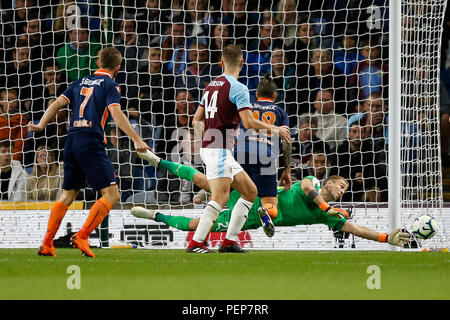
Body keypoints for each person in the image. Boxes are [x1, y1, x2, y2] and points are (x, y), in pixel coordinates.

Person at [139, 44, 291, 253]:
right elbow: (248, 122)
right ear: (242, 63)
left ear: (221, 62)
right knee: (221, 198)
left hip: (215, 148)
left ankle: (229, 242)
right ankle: (196, 243)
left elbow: (196, 119)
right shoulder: (238, 87)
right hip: (218, 149)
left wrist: (206, 140)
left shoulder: (211, 85)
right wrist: (276, 129)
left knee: (250, 191)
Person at [29, 47, 150, 258]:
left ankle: (47, 243)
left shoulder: (79, 82)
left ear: (97, 63)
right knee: (112, 195)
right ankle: (82, 235)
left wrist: (40, 124)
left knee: (67, 195)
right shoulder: (111, 84)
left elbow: (57, 104)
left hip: (72, 140)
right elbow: (116, 112)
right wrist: (137, 138)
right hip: (91, 141)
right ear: (118, 68)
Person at [130, 160, 410, 249]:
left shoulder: (331, 216)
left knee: (198, 225)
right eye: (340, 185)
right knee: (207, 182)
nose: (342, 191)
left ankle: (155, 215)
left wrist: (387, 237)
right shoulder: (312, 182)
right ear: (329, 182)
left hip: (250, 218)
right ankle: (158, 161)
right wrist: (326, 208)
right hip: (257, 197)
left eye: (345, 190)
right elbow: (308, 188)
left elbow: (355, 227)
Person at [234, 74, 291, 232]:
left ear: (256, 94)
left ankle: (214, 203)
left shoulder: (247, 109)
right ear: (275, 96)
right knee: (271, 206)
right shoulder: (280, 113)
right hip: (264, 157)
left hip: (239, 154)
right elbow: (286, 142)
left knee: (227, 190)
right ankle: (265, 210)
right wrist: (287, 170)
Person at [0, 88, 28, 163]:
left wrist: (14, 161)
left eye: (14, 100)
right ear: (2, 102)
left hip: (13, 154)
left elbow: (20, 142)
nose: (11, 103)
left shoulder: (21, 118)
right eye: (8, 100)